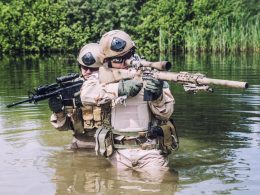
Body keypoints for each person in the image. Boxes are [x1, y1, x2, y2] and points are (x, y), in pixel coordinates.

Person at [80, 30, 177, 175]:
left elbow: (166, 114)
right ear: (106, 61)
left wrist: (158, 96)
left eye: (127, 57)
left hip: (150, 152)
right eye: (117, 60)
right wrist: (119, 88)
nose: (124, 63)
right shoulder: (101, 76)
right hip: (117, 153)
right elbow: (86, 95)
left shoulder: (150, 75)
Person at [49, 43, 105, 149]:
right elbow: (63, 127)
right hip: (79, 145)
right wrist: (58, 112)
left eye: (93, 69)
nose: (88, 72)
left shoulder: (110, 88)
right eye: (85, 67)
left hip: (106, 144)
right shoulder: (72, 88)